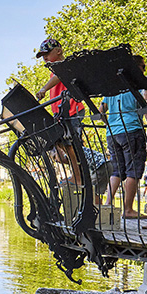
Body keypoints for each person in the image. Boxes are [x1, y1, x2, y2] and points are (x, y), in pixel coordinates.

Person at [33, 38, 87, 186]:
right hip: (61, 114)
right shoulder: (54, 71)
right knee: (62, 145)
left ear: (58, 50)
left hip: (71, 110)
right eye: (42, 55)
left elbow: (60, 76)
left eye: (47, 53)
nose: (45, 58)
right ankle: (77, 173)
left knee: (71, 145)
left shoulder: (64, 66)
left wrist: (44, 88)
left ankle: (78, 177)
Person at [101, 59, 147, 219]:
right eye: (142, 67)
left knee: (117, 170)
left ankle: (107, 204)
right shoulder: (137, 86)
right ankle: (128, 209)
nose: (144, 70)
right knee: (133, 170)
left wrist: (111, 124)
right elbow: (146, 107)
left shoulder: (111, 88)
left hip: (112, 133)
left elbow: (101, 111)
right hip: (131, 130)